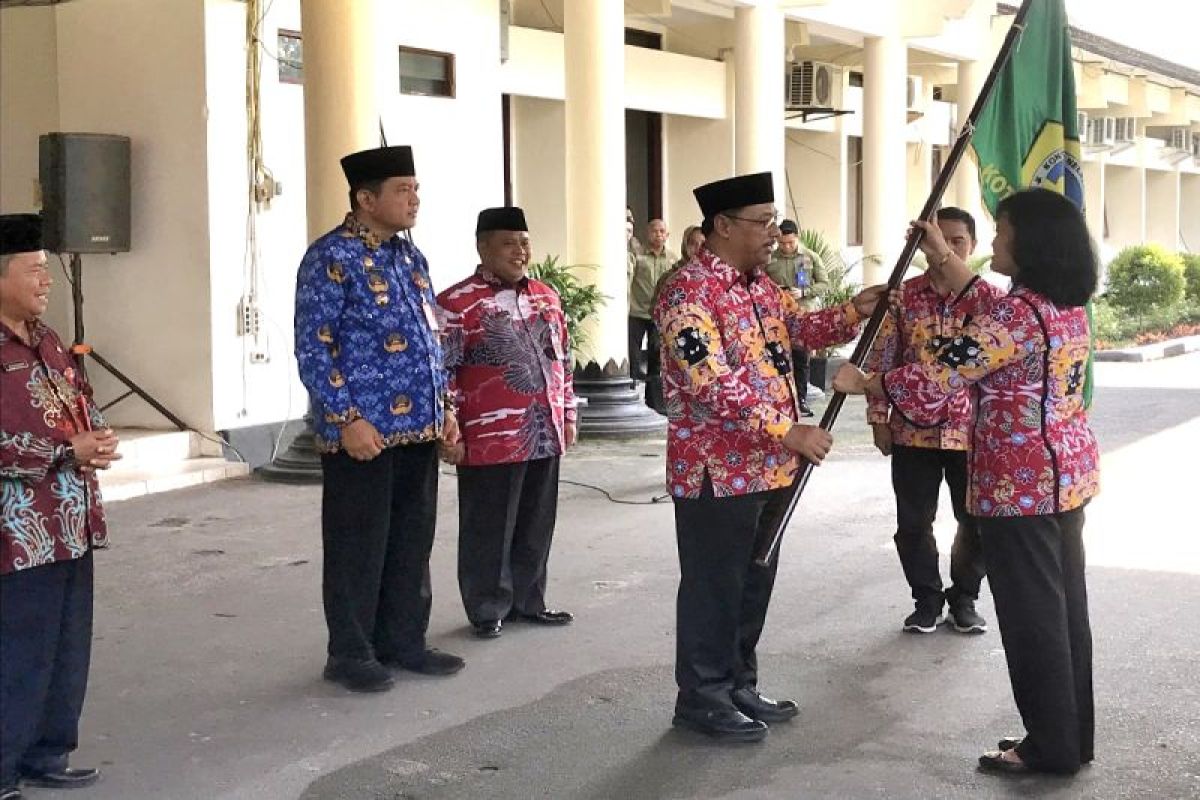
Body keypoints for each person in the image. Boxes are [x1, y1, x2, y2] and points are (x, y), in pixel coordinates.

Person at [834, 188, 1099, 775]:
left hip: (1018, 490)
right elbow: (987, 304)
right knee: (1064, 613)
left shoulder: (1016, 315)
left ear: (1027, 243)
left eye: (1001, 232)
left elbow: (936, 377)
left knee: (1033, 621)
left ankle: (1047, 746)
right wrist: (941, 256)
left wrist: (865, 382)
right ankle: (1070, 735)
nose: (995, 242)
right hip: (1063, 482)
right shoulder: (1059, 305)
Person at [654, 173, 889, 743]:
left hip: (770, 467)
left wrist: (852, 311)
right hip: (717, 469)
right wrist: (786, 430)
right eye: (761, 220)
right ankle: (702, 695)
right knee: (716, 584)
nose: (772, 231)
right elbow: (707, 378)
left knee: (753, 580)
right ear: (723, 226)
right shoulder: (687, 292)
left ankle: (737, 681)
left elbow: (796, 331)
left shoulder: (760, 286)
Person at [294, 145, 464, 693]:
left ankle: (402, 640)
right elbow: (315, 348)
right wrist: (344, 419)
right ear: (366, 199)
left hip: (418, 426)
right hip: (362, 433)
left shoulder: (410, 259)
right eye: (401, 190)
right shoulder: (329, 259)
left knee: (411, 540)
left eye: (416, 189)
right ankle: (350, 651)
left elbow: (433, 338)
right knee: (357, 544)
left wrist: (448, 413)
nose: (414, 199)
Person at [1, 213, 119, 798]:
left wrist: (94, 436)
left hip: (68, 521)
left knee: (65, 646)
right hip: (15, 531)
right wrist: (59, 451)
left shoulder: (45, 338)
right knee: (16, 647)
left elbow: (80, 397)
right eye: (33, 271)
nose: (46, 282)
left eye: (47, 270)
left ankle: (47, 751)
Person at [437, 207, 577, 639]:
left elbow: (563, 361)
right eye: (508, 243)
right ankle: (487, 607)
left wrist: (568, 413)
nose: (520, 251)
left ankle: (528, 601)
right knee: (488, 525)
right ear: (483, 248)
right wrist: (450, 425)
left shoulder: (547, 297)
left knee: (536, 521)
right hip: (490, 434)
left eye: (525, 242)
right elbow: (443, 370)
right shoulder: (457, 303)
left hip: (543, 429)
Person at [863, 206, 987, 634]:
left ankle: (965, 597)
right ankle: (927, 599)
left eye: (958, 241)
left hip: (970, 431)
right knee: (913, 522)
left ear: (972, 245)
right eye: (940, 238)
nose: (947, 248)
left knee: (975, 519)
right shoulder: (904, 296)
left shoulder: (984, 301)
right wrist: (879, 417)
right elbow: (883, 356)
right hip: (912, 430)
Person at [764, 219, 829, 417]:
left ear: (796, 238)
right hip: (777, 316)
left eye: (790, 243)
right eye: (782, 243)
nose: (786, 247)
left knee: (801, 359)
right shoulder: (770, 258)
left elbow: (824, 283)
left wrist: (804, 292)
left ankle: (801, 399)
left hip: (802, 314)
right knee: (778, 358)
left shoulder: (809, 257)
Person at [628, 219, 671, 387]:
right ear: (647, 233)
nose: (658, 234)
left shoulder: (672, 259)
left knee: (656, 351)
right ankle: (634, 384)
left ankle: (654, 389)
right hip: (637, 310)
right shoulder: (637, 256)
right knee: (634, 351)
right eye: (654, 231)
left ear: (667, 235)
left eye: (662, 231)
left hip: (659, 313)